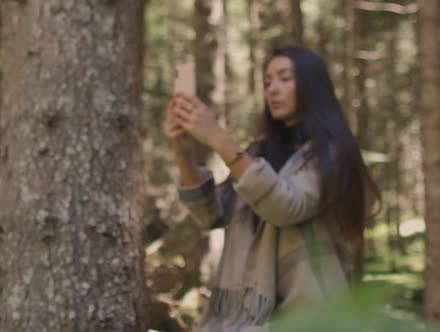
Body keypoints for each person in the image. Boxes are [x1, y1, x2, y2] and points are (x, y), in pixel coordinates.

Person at [162, 46, 381, 332]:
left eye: (284, 78)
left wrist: (218, 138)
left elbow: (286, 206)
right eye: (267, 82)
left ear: (311, 85)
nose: (273, 89)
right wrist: (184, 151)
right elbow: (211, 214)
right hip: (242, 322)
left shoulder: (333, 152)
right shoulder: (261, 151)